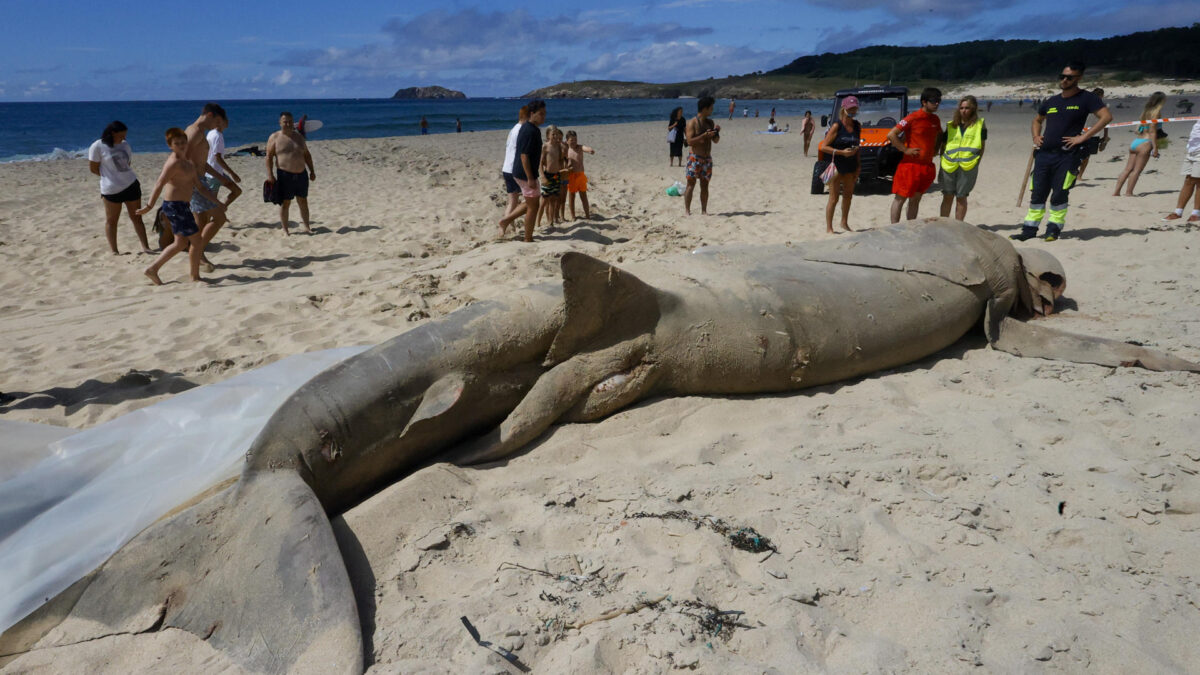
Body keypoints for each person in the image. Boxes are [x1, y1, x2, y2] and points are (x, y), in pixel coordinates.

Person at [1011, 62, 1112, 242]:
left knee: (1060, 192)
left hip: (1067, 155)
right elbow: (1037, 120)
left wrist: (1083, 137)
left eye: (1069, 77)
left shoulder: (1087, 98)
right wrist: (1036, 136)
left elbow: (1106, 117)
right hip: (1044, 154)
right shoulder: (1052, 101)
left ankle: (1053, 229)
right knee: (1038, 193)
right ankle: (1029, 229)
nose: (1064, 80)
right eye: (1062, 77)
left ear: (1078, 78)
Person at [137, 127, 224, 285]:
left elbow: (200, 186)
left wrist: (216, 201)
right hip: (174, 206)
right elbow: (159, 184)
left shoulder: (188, 163)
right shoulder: (174, 163)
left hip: (183, 206)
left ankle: (155, 269)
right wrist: (149, 206)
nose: (181, 145)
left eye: (183, 142)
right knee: (194, 241)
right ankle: (193, 276)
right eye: (177, 143)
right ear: (170, 145)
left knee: (182, 243)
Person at [185, 103, 239, 271]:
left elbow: (202, 162)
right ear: (209, 115)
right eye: (217, 121)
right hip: (196, 183)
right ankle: (197, 251)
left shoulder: (199, 132)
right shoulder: (194, 132)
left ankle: (198, 255)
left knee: (201, 221)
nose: (216, 126)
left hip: (201, 180)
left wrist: (221, 178)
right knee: (219, 217)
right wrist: (197, 185)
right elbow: (183, 161)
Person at [88, 121, 152, 254]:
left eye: (125, 135)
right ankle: (114, 250)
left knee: (136, 217)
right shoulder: (98, 146)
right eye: (121, 135)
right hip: (111, 190)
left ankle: (146, 247)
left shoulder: (125, 145)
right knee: (112, 220)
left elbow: (127, 164)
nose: (124, 138)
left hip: (131, 185)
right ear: (112, 133)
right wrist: (110, 177)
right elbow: (93, 168)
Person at [887, 87, 943, 223]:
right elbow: (891, 134)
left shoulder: (935, 119)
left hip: (926, 166)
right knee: (900, 198)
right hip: (910, 166)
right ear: (924, 102)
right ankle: (894, 227)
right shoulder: (913, 117)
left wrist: (936, 150)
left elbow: (940, 135)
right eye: (934, 101)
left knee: (916, 199)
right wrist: (905, 150)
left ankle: (910, 226)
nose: (937, 104)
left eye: (939, 101)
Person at [498, 99, 546, 242]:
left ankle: (506, 221)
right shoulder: (528, 130)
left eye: (545, 114)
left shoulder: (531, 129)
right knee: (533, 206)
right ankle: (527, 238)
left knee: (532, 203)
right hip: (524, 173)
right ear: (532, 114)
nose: (544, 117)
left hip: (522, 172)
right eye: (541, 114)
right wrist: (530, 177)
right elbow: (524, 156)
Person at [266, 111, 316, 235]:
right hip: (284, 175)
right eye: (285, 122)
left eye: (290, 121)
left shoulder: (299, 137)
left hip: (301, 174)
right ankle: (285, 229)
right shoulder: (274, 137)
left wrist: (312, 171)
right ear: (280, 123)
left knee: (303, 201)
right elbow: (268, 157)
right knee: (285, 203)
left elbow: (307, 155)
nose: (288, 124)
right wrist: (270, 175)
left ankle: (307, 227)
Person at [938, 95, 987, 221]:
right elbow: (943, 146)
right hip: (948, 164)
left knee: (961, 197)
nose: (964, 111)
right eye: (961, 108)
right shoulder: (951, 126)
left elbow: (982, 147)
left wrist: (976, 162)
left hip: (968, 165)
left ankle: (958, 225)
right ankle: (944, 223)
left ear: (973, 109)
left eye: (967, 108)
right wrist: (942, 160)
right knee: (947, 196)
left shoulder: (979, 125)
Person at [818, 96, 861, 234]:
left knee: (848, 196)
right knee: (834, 198)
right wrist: (841, 152)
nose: (853, 111)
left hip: (851, 165)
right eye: (851, 108)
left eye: (855, 108)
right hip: (837, 165)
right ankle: (829, 228)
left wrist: (858, 165)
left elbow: (858, 147)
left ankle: (844, 223)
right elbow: (824, 147)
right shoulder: (837, 125)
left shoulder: (857, 125)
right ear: (844, 109)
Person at [1113, 92, 1166, 197]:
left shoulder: (1146, 111)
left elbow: (1142, 127)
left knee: (1127, 169)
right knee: (1137, 170)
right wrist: (1155, 148)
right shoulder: (1156, 113)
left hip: (1136, 142)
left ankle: (1116, 192)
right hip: (1145, 143)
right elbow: (1152, 132)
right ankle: (1129, 192)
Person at [684, 96, 720, 216]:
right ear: (705, 109)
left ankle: (704, 211)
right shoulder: (692, 123)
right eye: (711, 108)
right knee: (690, 184)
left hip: (707, 158)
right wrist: (704, 135)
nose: (712, 110)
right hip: (695, 157)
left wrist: (716, 132)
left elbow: (716, 141)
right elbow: (689, 142)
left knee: (705, 185)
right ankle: (687, 211)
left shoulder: (710, 122)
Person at [1162, 119, 1200, 223]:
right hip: (1193, 149)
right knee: (1188, 180)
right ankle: (1178, 212)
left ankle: (1195, 213)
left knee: (1197, 180)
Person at [499, 106, 529, 236]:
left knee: (513, 201)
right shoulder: (522, 130)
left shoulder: (513, 129)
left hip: (507, 168)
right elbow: (522, 153)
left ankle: (504, 230)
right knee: (530, 199)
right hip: (516, 169)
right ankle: (506, 222)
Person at [1076, 87, 1110, 180]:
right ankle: (1076, 172)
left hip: (1095, 134)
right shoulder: (1086, 105)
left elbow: (1106, 122)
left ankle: (1079, 175)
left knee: (1087, 156)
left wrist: (1105, 136)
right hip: (1082, 132)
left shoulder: (1104, 107)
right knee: (1078, 155)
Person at [538, 125, 564, 228]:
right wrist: (542, 176)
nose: (555, 136)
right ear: (548, 135)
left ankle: (550, 221)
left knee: (553, 199)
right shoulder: (545, 146)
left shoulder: (558, 146)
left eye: (557, 134)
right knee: (544, 200)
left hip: (556, 175)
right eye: (553, 134)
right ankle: (538, 222)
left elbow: (560, 159)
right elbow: (540, 163)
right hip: (547, 175)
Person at [565, 130, 595, 220]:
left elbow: (585, 148)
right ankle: (573, 216)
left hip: (580, 175)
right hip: (571, 176)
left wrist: (590, 150)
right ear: (567, 141)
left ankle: (587, 215)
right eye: (571, 140)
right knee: (572, 196)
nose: (574, 142)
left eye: (575, 139)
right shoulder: (566, 149)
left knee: (583, 195)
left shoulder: (579, 147)